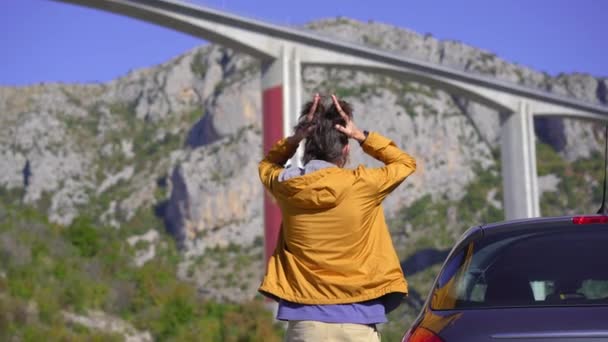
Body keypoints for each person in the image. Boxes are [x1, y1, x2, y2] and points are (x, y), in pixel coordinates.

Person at [258, 94, 417, 341]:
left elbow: (267, 164)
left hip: (305, 323)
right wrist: (362, 136)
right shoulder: (363, 184)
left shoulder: (287, 186)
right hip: (358, 321)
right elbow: (405, 163)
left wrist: (295, 138)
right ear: (345, 148)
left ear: (306, 148)